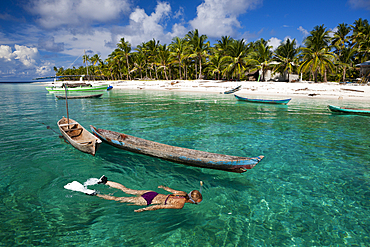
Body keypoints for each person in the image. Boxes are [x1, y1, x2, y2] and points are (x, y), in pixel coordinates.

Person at [88, 176, 203, 213]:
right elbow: (160, 206)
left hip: (151, 193)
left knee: (127, 190)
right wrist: (143, 210)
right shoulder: (180, 205)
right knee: (118, 199)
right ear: (193, 201)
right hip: (149, 201)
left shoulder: (182, 194)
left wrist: (162, 187)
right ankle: (95, 194)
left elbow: (169, 189)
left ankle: (105, 181)